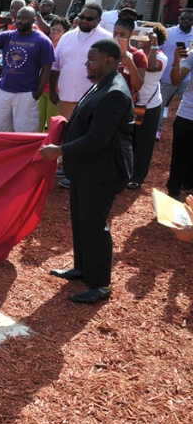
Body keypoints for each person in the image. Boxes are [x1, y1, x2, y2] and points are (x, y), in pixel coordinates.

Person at [41, 39, 134, 304]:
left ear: (109, 61)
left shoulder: (114, 92)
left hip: (103, 170)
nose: (86, 63)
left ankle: (101, 284)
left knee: (95, 226)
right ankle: (83, 268)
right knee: (81, 221)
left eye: (91, 60)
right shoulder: (102, 83)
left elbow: (97, 140)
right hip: (87, 168)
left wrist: (59, 150)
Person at [0, 7, 54, 133]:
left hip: (26, 93)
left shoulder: (43, 41)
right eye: (19, 17)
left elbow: (46, 69)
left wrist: (38, 93)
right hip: (4, 90)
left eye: (24, 18)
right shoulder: (8, 35)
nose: (20, 20)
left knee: (25, 132)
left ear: (33, 20)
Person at [50, 2, 114, 124]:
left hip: (93, 99)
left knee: (86, 136)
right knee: (67, 135)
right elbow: (56, 65)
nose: (84, 21)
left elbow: (112, 70)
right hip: (66, 97)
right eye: (81, 17)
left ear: (99, 20)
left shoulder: (107, 39)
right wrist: (53, 91)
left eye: (89, 19)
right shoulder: (66, 37)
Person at [122, 22, 163, 190]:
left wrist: (154, 46)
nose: (142, 37)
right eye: (140, 32)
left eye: (147, 34)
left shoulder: (160, 57)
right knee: (130, 139)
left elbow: (151, 66)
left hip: (149, 105)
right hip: (132, 103)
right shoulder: (132, 54)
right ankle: (127, 171)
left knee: (144, 142)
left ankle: (138, 176)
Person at [157, 8, 193, 139]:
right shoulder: (168, 33)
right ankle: (157, 130)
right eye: (183, 18)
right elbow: (158, 50)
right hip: (167, 76)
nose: (186, 21)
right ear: (179, 19)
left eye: (189, 19)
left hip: (188, 78)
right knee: (160, 106)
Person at [168, 37, 193, 199]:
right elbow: (176, 80)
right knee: (179, 158)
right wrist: (176, 61)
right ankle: (173, 193)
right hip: (187, 115)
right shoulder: (192, 55)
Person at [38, 16, 71, 132]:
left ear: (65, 33)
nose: (55, 32)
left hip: (56, 92)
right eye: (53, 29)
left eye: (59, 30)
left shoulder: (66, 48)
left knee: (53, 126)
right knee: (37, 124)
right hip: (40, 90)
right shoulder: (43, 44)